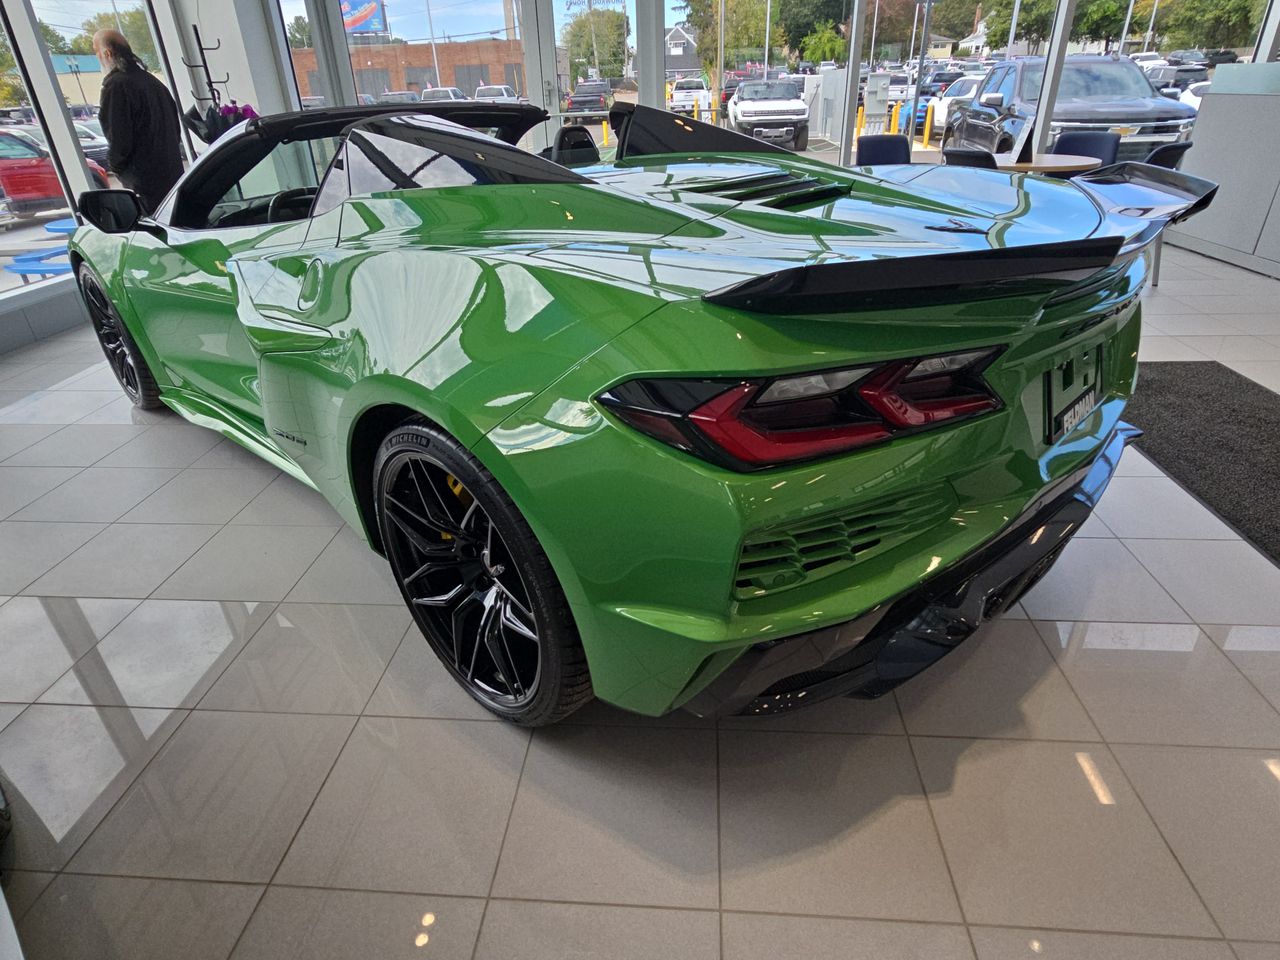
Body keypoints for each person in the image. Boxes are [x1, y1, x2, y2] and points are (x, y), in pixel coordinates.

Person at [92, 29, 184, 213]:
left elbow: (119, 137)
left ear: (107, 53)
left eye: (96, 52)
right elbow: (175, 128)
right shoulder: (154, 83)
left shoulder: (116, 87)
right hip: (172, 174)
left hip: (144, 182)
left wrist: (117, 168)